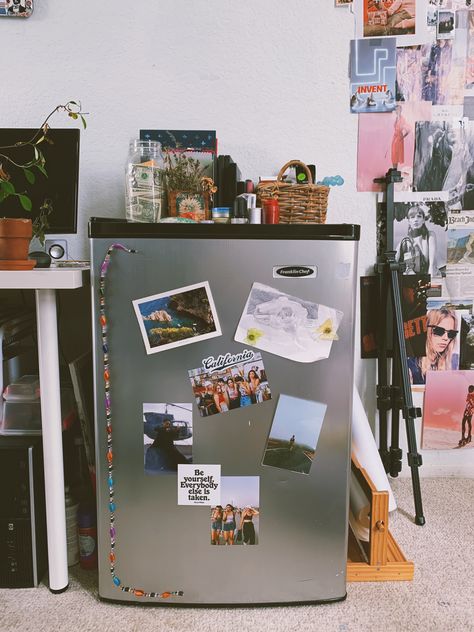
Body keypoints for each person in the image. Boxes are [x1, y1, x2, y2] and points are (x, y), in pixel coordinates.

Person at [407, 308, 458, 385]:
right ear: (427, 331)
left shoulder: (454, 363)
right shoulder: (410, 365)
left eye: (451, 333)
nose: (446, 338)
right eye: (439, 331)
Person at [395, 205, 437, 277]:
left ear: (423, 220)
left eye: (419, 216)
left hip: (428, 275)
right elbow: (394, 261)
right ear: (409, 221)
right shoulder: (404, 241)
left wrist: (431, 280)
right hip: (411, 278)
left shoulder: (430, 235)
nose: (416, 220)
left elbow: (432, 263)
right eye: (412, 217)